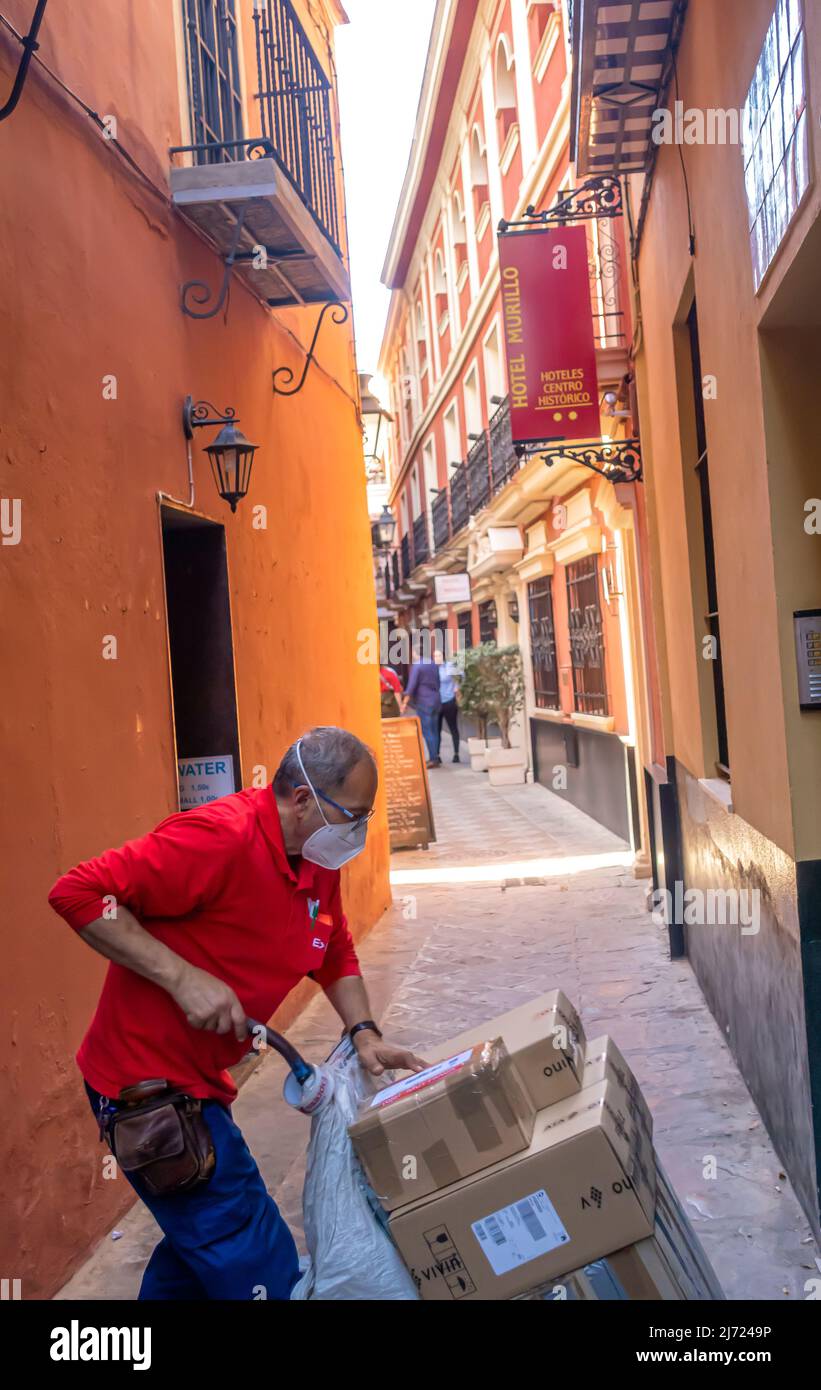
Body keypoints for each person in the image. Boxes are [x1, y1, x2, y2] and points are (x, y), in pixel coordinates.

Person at [48, 727, 427, 1301]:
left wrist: (364, 1031)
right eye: (353, 815)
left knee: (195, 1250)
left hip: (203, 1086)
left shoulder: (316, 856)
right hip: (147, 1090)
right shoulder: (214, 839)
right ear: (301, 800)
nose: (359, 832)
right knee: (259, 1263)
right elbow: (78, 893)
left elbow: (334, 946)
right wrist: (180, 977)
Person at [401, 649, 442, 767]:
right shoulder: (433, 664)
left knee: (427, 731)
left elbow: (411, 686)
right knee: (434, 730)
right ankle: (436, 756)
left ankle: (433, 758)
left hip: (424, 702)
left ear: (415, 653)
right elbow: (438, 683)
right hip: (436, 700)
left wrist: (404, 704)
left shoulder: (417, 666)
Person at [434, 647, 462, 763]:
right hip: (436, 703)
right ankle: (437, 755)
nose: (437, 658)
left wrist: (457, 689)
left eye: (439, 656)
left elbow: (460, 676)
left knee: (453, 728)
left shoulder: (449, 666)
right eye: (435, 656)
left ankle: (456, 754)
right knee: (437, 730)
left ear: (443, 657)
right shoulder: (432, 669)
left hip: (449, 701)